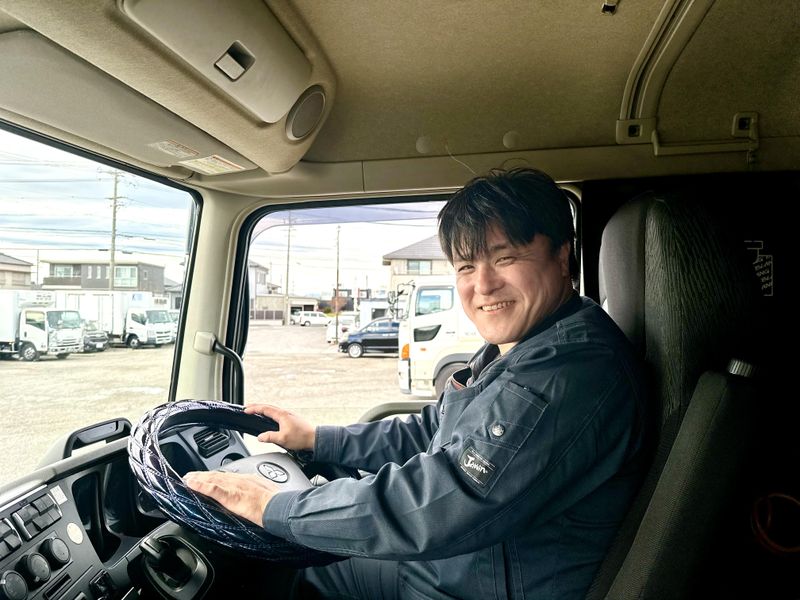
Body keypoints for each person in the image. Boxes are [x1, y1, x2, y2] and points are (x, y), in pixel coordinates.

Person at [185, 167, 650, 599]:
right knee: (301, 567)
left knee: (287, 571)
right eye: (465, 267)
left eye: (505, 257)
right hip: (463, 566)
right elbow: (434, 429)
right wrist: (320, 439)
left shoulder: (568, 371)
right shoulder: (524, 345)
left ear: (562, 257)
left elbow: (441, 503)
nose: (483, 284)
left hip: (476, 585)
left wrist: (275, 506)